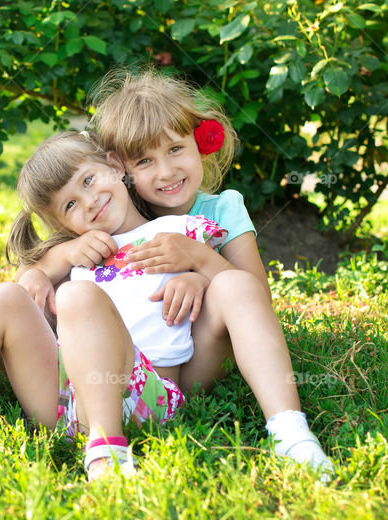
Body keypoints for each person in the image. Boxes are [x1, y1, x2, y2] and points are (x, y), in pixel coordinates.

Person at [21, 68, 333, 476]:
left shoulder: (222, 209)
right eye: (145, 161)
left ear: (199, 142)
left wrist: (201, 266)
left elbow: (254, 296)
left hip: (193, 366)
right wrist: (42, 269)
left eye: (175, 150)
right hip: (126, 366)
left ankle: (290, 431)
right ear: (121, 169)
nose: (166, 173)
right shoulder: (117, 217)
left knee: (233, 285)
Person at [0, 131, 222, 480]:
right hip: (64, 399)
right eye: (69, 205)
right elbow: (19, 293)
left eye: (88, 180)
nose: (88, 202)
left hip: (144, 396)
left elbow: (233, 288)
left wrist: (199, 278)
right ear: (62, 226)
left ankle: (107, 451)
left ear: (116, 167)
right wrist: (44, 271)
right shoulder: (76, 255)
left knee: (76, 296)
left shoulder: (177, 233)